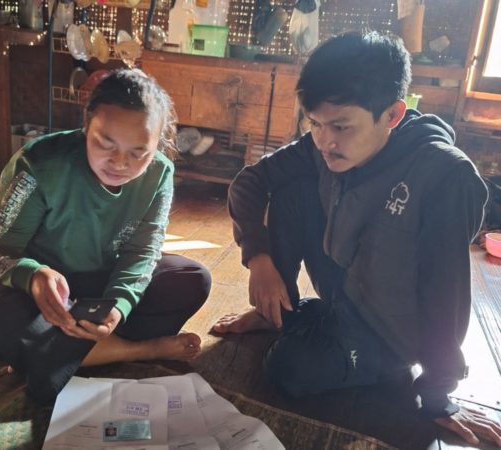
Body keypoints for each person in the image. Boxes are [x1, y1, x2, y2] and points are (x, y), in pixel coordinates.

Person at [213, 31, 501, 446]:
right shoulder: (326, 145)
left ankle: (328, 336)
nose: (326, 140)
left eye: (341, 126)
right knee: (292, 191)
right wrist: (260, 261)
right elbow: (249, 184)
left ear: (393, 115)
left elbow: (447, 291)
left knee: (287, 370)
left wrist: (439, 394)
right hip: (344, 294)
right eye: (315, 123)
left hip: (390, 331)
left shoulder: (443, 176)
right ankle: (284, 310)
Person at [0, 69, 211, 403]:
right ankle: (133, 350)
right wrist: (32, 275)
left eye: (138, 152)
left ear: (156, 145)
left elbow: (143, 251)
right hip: (38, 294)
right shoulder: (40, 162)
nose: (120, 163)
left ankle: (51, 353)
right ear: (86, 123)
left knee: (192, 279)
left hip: (101, 286)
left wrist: (119, 305)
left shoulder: (159, 173)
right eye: (104, 144)